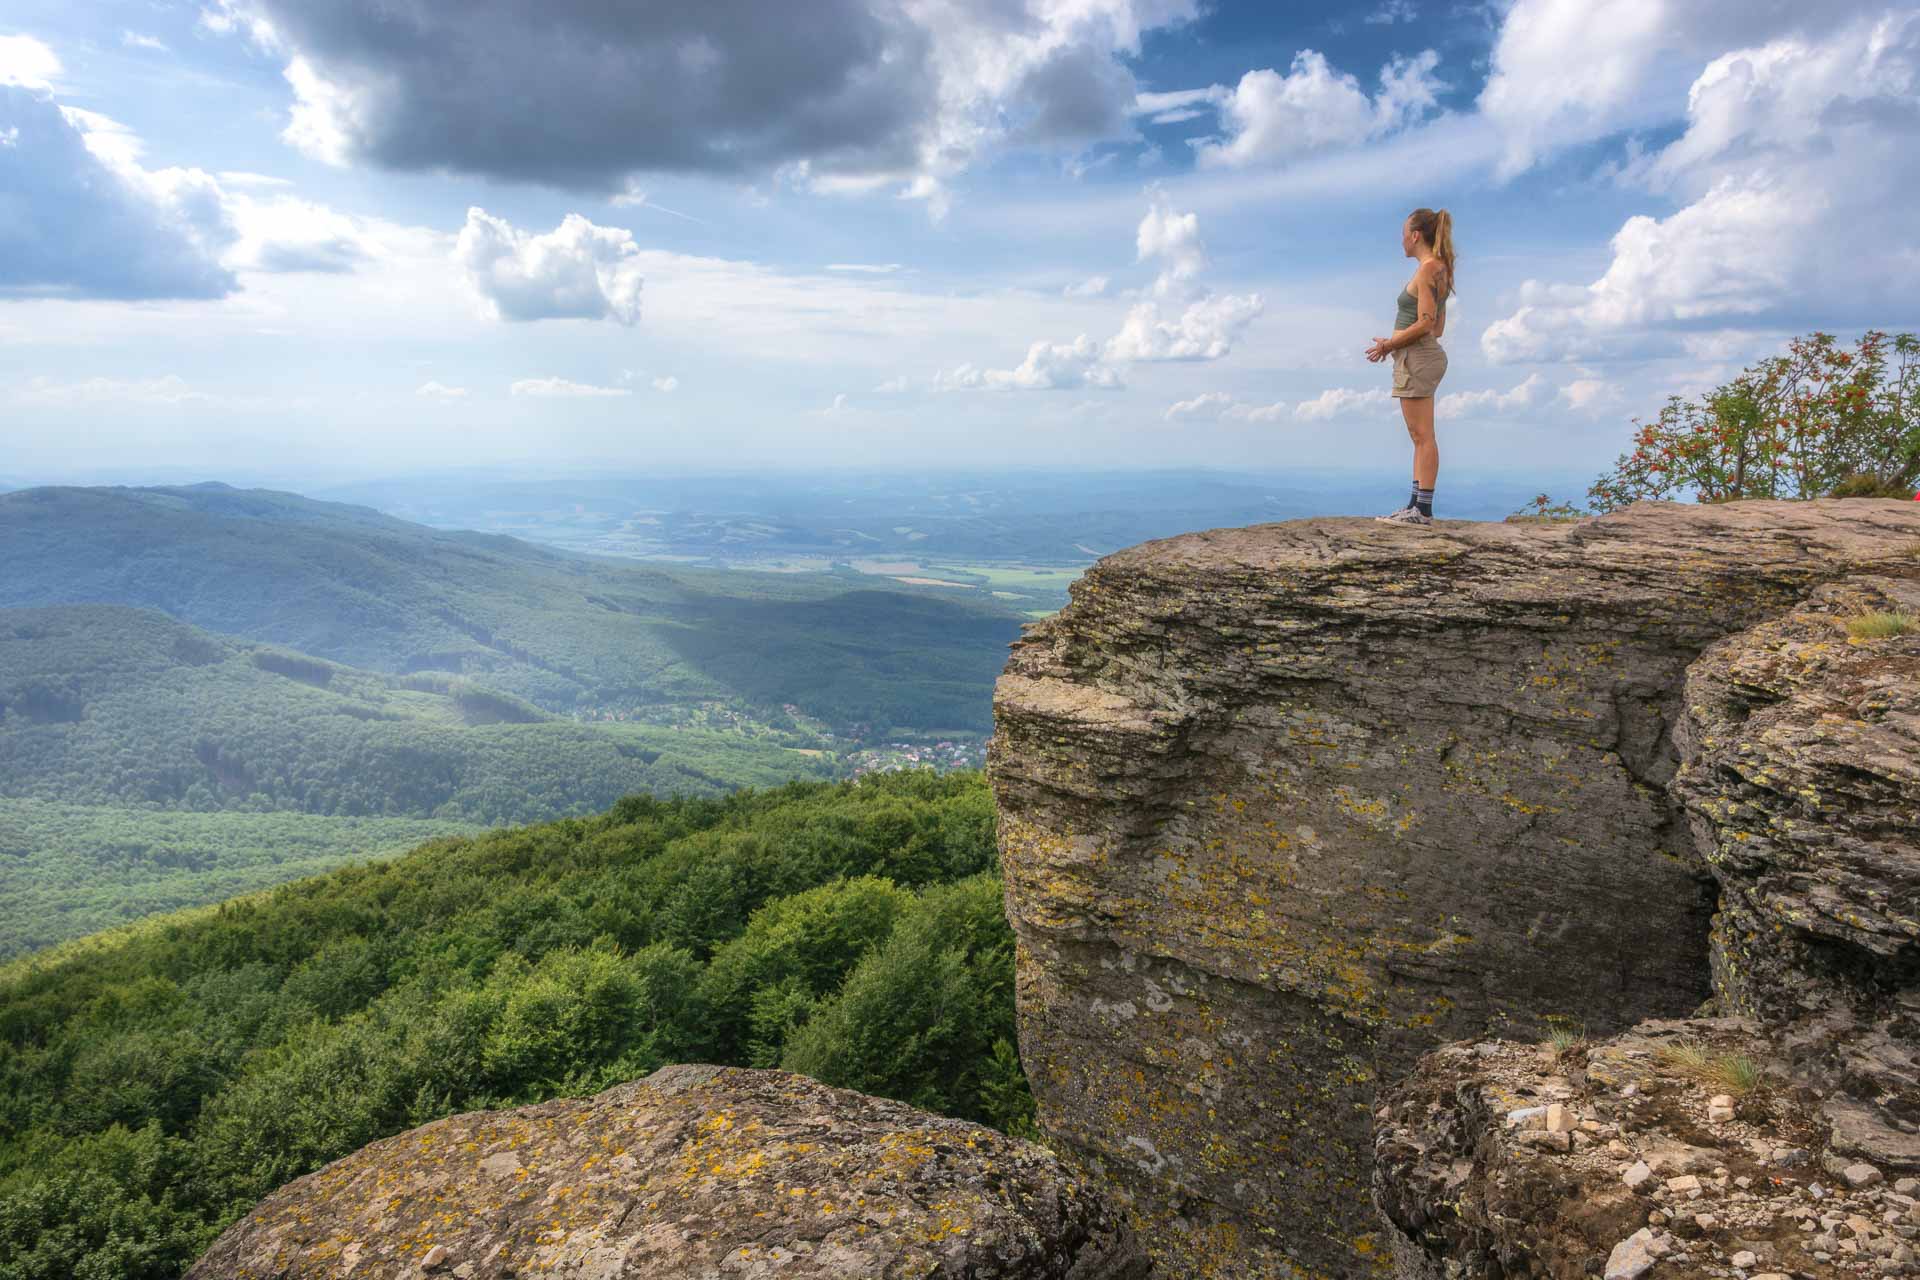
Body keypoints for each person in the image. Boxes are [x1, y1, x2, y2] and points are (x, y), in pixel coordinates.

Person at [1366, 208, 1455, 525]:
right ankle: (1416, 505)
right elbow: (1438, 328)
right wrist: (1395, 341)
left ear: (1415, 235)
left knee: (1422, 435)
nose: (1401, 239)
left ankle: (1422, 511)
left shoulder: (1428, 269)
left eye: (1404, 232)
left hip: (1416, 357)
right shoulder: (1439, 269)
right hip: (1421, 354)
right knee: (1419, 435)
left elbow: (1426, 322)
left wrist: (1389, 345)